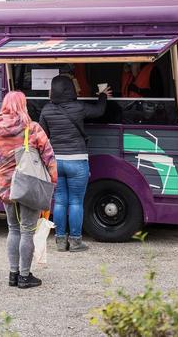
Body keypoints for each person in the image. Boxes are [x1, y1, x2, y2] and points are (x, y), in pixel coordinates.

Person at [0, 91, 57, 289]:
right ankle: (25, 277)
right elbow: (49, 157)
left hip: (6, 188)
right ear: (23, 105)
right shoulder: (32, 129)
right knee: (27, 231)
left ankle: (13, 274)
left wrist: (1, 177)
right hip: (29, 186)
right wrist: (52, 181)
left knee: (13, 229)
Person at [39, 75, 110, 252]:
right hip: (77, 160)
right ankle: (76, 241)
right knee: (76, 202)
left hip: (57, 161)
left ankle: (61, 241)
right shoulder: (79, 108)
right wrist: (103, 95)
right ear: (70, 89)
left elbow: (43, 135)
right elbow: (99, 111)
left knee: (60, 201)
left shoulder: (46, 110)